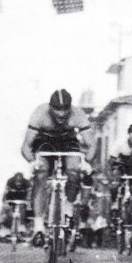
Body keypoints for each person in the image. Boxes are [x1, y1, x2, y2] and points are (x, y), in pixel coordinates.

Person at [21, 89, 94, 241]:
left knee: (74, 170)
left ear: (70, 107)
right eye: (57, 109)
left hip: (68, 142)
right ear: (50, 107)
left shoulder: (78, 114)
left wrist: (86, 162)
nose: (61, 114)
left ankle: (68, 205)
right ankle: (39, 225)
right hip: (44, 142)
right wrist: (32, 162)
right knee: (41, 173)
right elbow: (26, 147)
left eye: (65, 109)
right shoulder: (39, 113)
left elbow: (91, 145)